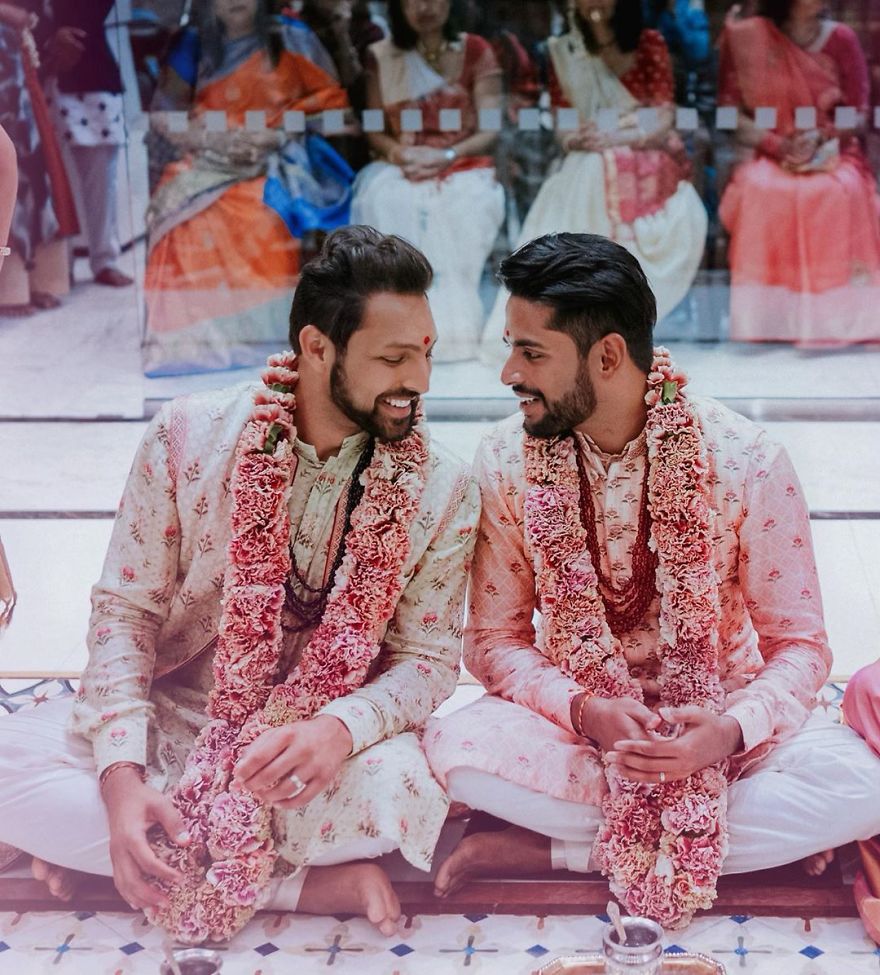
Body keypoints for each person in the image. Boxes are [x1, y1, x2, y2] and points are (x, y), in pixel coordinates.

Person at [0, 226, 480, 943]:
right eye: (393, 357)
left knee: (407, 790)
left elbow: (429, 660)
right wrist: (123, 781)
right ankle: (298, 885)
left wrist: (336, 728)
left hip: (317, 753)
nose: (421, 379)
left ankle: (124, 862)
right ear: (317, 348)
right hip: (178, 718)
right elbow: (125, 616)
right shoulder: (187, 436)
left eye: (427, 352)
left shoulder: (443, 486)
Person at [423, 232, 880, 928]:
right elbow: (492, 640)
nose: (509, 371)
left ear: (607, 355)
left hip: (723, 714)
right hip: (576, 728)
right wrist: (586, 711)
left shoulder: (746, 459)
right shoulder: (504, 459)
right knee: (455, 753)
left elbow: (803, 647)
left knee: (866, 784)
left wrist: (727, 731)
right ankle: (717, 840)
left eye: (532, 351)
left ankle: (557, 849)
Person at [480, 0, 707, 362]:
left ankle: (627, 309)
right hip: (588, 152)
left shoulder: (648, 43)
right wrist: (579, 139)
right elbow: (562, 122)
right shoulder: (563, 51)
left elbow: (663, 113)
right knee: (588, 170)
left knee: (602, 169)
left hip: (646, 148)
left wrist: (620, 137)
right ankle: (575, 313)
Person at [143, 0, 352, 376]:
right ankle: (189, 346)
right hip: (206, 156)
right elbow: (164, 113)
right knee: (181, 223)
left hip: (278, 156)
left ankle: (265, 340)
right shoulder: (193, 42)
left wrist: (277, 131)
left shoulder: (290, 37)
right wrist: (210, 139)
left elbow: (336, 110)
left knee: (260, 215)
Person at [718, 0, 880, 346]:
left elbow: (860, 113)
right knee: (760, 190)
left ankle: (834, 325)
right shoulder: (751, 37)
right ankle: (764, 324)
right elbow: (729, 113)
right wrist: (777, 145)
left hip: (833, 152)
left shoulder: (842, 39)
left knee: (836, 192)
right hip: (772, 153)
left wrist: (820, 139)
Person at [350, 0, 505, 362]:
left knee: (463, 204)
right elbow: (374, 129)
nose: (425, 7)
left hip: (463, 161)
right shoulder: (381, 56)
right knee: (387, 198)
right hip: (402, 163)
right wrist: (400, 154)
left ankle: (455, 334)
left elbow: (490, 127)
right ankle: (393, 331)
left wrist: (446, 156)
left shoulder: (476, 51)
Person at [43, 0, 133, 288]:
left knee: (101, 176)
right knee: (53, 178)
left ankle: (104, 259)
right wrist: (49, 39)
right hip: (42, 68)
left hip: (91, 69)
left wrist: (71, 36)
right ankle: (61, 263)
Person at [0, 0, 78, 316]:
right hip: (7, 53)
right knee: (17, 154)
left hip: (20, 52)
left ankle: (28, 280)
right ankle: (12, 287)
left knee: (31, 161)